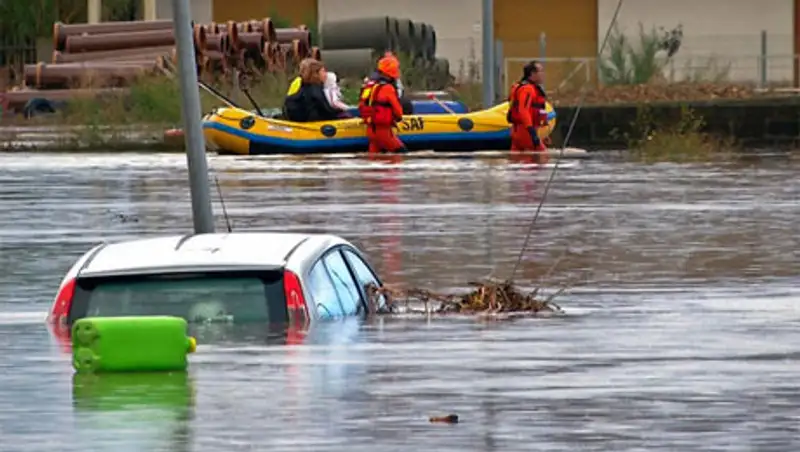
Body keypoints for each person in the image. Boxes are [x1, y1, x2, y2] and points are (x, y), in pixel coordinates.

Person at [358, 54, 407, 154]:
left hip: (371, 130)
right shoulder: (388, 88)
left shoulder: (369, 86)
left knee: (374, 159)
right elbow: (398, 111)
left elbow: (362, 104)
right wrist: (398, 118)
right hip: (384, 131)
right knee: (401, 153)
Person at [506, 60, 549, 164]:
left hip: (517, 131)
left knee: (517, 161)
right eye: (541, 71)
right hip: (525, 132)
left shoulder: (518, 87)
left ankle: (518, 179)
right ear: (533, 74)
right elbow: (523, 111)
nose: (543, 74)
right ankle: (534, 180)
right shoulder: (527, 89)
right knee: (543, 157)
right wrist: (532, 133)